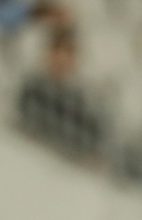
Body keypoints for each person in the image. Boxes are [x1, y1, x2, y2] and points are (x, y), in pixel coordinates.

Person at [17, 26, 104, 159]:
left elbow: (91, 148)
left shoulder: (82, 103)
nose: (61, 60)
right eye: (57, 51)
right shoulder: (31, 89)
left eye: (68, 54)